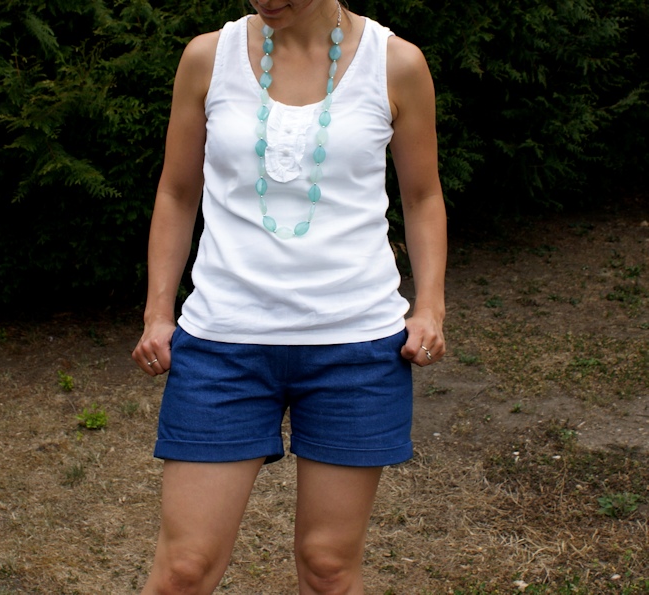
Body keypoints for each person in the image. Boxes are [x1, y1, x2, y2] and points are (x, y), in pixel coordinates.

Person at [131, 0, 446, 592]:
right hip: (222, 345)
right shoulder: (207, 58)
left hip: (355, 349)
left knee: (329, 567)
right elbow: (176, 192)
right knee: (183, 569)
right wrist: (157, 313)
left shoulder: (395, 63)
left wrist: (430, 306)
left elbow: (423, 195)